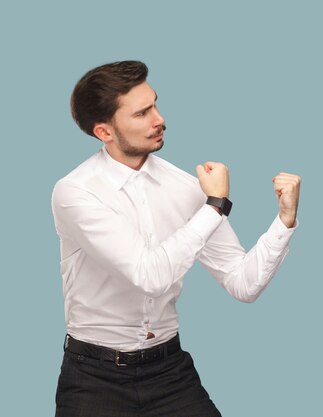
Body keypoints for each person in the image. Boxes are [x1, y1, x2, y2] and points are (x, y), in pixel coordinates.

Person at [51, 60, 301, 417]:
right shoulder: (75, 192)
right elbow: (148, 276)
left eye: (155, 104)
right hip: (94, 377)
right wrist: (214, 206)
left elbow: (244, 283)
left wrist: (284, 221)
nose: (159, 119)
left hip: (170, 372)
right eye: (141, 114)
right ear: (104, 132)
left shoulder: (184, 187)